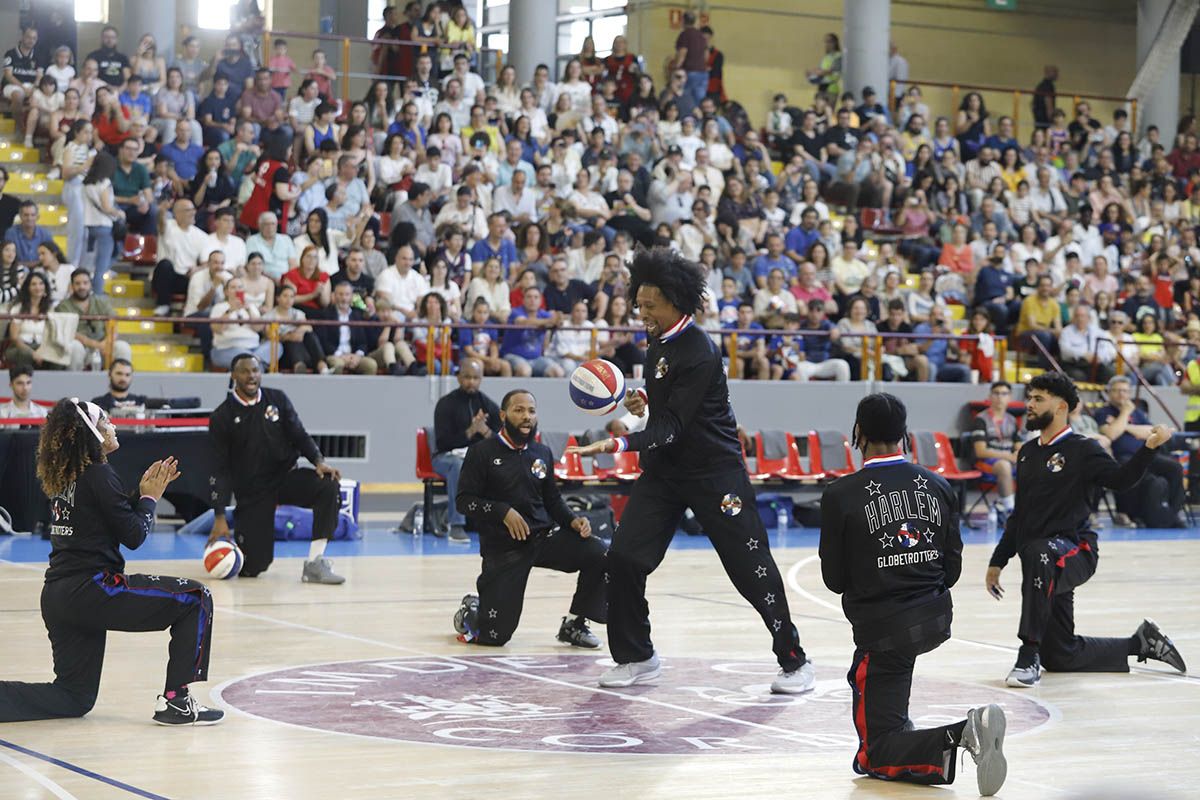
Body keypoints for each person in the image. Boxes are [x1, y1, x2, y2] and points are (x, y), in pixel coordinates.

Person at [566, 248, 813, 693]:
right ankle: (637, 656)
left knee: (749, 568)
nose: (641, 313)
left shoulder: (699, 350)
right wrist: (645, 402)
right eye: (638, 304)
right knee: (623, 558)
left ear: (676, 302)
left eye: (649, 306)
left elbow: (674, 427)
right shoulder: (657, 340)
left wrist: (620, 441)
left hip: (715, 476)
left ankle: (794, 661)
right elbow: (668, 410)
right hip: (665, 473)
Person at [820, 393, 1007, 796]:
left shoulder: (841, 494)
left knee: (872, 756)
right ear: (905, 435)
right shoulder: (939, 485)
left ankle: (965, 733)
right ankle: (903, 729)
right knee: (890, 706)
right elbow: (952, 568)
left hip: (882, 629)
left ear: (859, 433)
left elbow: (833, 580)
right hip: (935, 618)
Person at [0, 399, 220, 725]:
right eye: (106, 423)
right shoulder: (99, 474)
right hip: (94, 589)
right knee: (196, 598)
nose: (113, 426)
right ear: (91, 434)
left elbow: (104, 520)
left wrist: (140, 496)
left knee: (74, 697)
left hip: (59, 595)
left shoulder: (69, 475)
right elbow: (133, 535)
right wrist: (148, 499)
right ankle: (177, 701)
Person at [986, 372, 1186, 688]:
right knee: (1060, 655)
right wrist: (998, 560)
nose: (1030, 405)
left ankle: (1027, 654)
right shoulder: (1026, 453)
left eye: (1038, 399)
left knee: (1038, 552)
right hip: (1042, 558)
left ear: (1062, 406)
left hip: (1075, 549)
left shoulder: (1084, 449)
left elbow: (1121, 480)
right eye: (1030, 398)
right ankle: (1141, 644)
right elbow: (1020, 515)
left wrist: (1148, 448)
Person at [452, 389, 607, 649]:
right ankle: (471, 609)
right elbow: (464, 501)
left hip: (542, 539)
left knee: (600, 551)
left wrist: (573, 521)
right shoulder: (481, 452)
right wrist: (503, 512)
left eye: (531, 411)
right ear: (503, 415)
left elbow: (552, 501)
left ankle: (574, 624)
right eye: (519, 410)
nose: (526, 417)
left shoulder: (542, 453)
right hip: (504, 548)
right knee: (494, 638)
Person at [206, 354, 344, 583]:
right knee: (252, 567)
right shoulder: (222, 416)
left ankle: (315, 563)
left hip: (285, 477)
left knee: (327, 486)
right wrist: (219, 515)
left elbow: (300, 435)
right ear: (233, 375)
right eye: (245, 371)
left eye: (255, 370)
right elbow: (218, 469)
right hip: (253, 491)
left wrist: (319, 461)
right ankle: (229, 549)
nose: (251, 376)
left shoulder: (277, 399)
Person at [1094, 376, 1186, 528]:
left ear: (1129, 393)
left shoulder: (1138, 413)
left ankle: (1173, 512)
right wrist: (1125, 413)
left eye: (1124, 391)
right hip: (1122, 457)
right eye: (1116, 391)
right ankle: (1133, 515)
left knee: (1175, 468)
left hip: (1147, 453)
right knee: (1141, 476)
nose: (1121, 394)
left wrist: (1125, 427)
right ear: (1109, 393)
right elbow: (1111, 434)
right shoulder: (1103, 412)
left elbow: (1151, 432)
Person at [433, 359, 501, 542]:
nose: (471, 382)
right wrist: (470, 431)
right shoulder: (445, 404)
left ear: (481, 379)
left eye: (475, 378)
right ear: (458, 377)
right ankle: (456, 526)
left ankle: (501, 521)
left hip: (476, 457)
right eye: (467, 377)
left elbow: (503, 440)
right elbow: (443, 443)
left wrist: (484, 431)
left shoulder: (487, 404)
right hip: (445, 457)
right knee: (458, 465)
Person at [55, 269, 132, 371]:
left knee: (123, 347)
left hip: (104, 346)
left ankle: (119, 383)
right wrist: (95, 344)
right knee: (75, 347)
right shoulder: (63, 306)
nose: (82, 287)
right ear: (72, 286)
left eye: (85, 283)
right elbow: (69, 332)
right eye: (77, 283)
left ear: (90, 285)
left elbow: (113, 323)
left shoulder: (100, 302)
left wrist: (107, 342)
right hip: (81, 347)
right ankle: (73, 383)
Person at [968, 381, 1021, 526]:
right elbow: (980, 451)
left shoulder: (1012, 420)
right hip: (985, 463)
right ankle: (1010, 512)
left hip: (1009, 461)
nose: (1000, 397)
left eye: (1004, 394)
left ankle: (1032, 510)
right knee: (1004, 466)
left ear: (1010, 397)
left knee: (1034, 465)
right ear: (990, 396)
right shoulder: (981, 419)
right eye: (996, 393)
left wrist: (1019, 454)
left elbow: (1019, 446)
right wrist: (1008, 456)